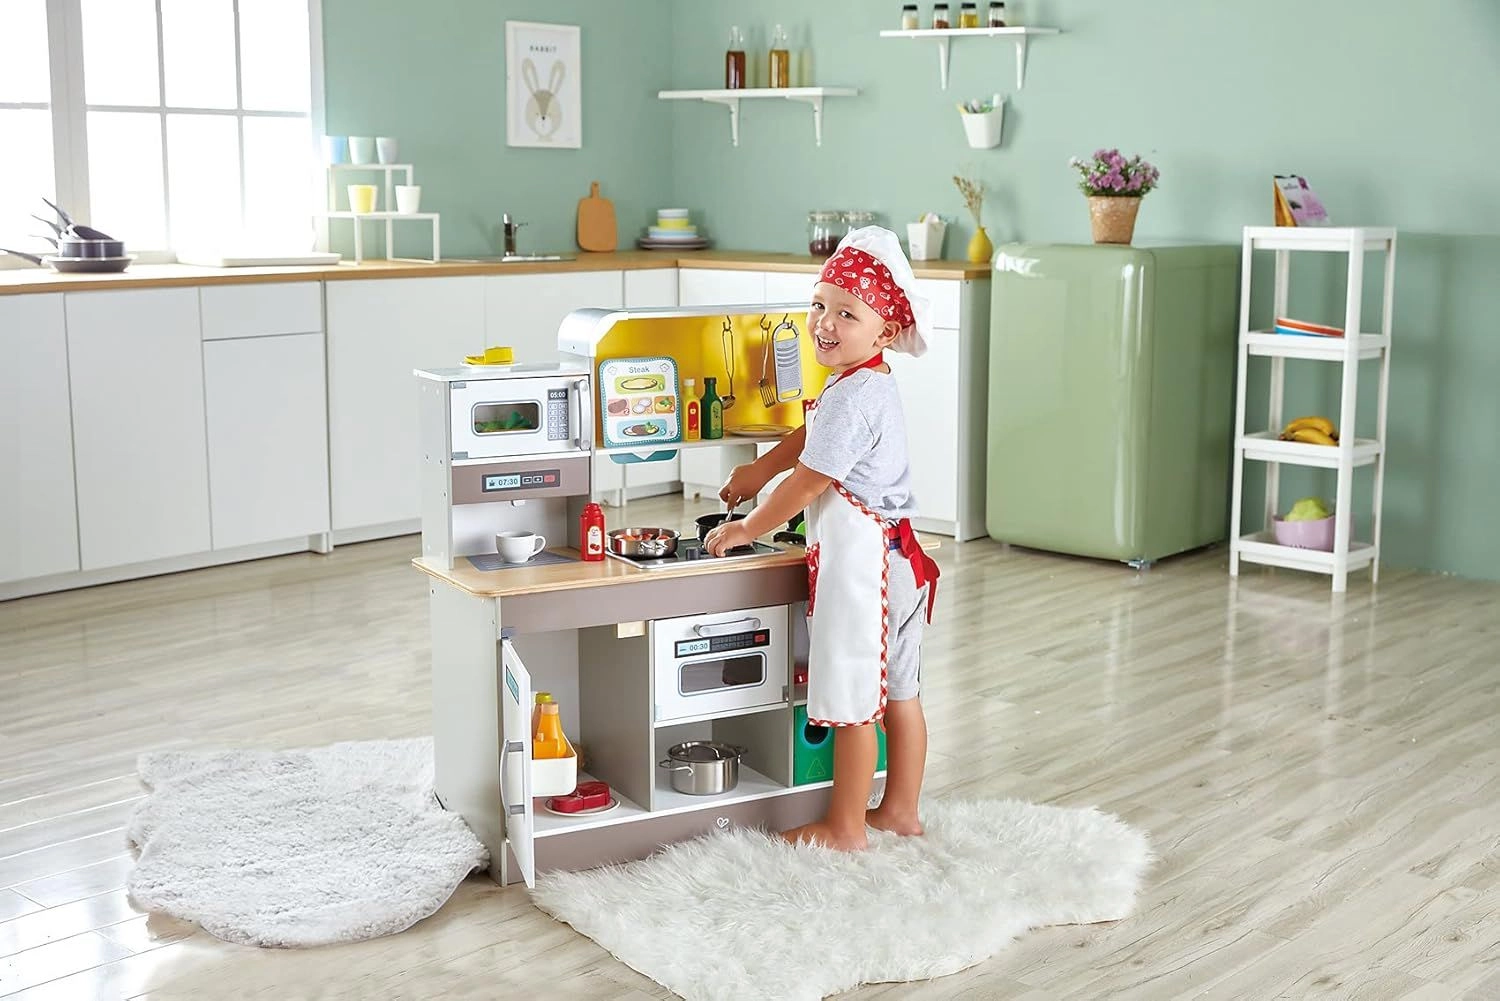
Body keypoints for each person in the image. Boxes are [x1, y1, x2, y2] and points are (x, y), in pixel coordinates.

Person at [704, 226, 940, 851]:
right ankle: (900, 811)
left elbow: (809, 482)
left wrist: (749, 526)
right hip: (903, 565)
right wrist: (758, 469)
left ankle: (844, 827)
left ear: (885, 331)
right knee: (900, 693)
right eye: (819, 305)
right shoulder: (865, 382)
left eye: (846, 313)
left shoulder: (853, 398)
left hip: (870, 573)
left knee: (854, 695)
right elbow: (810, 439)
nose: (824, 323)